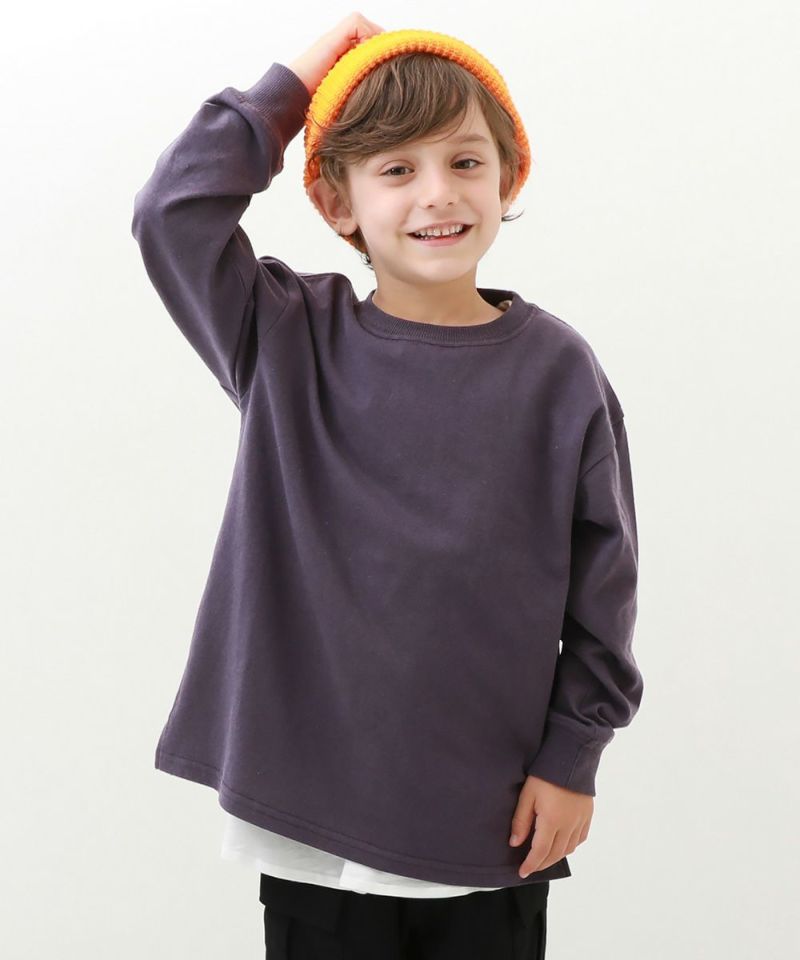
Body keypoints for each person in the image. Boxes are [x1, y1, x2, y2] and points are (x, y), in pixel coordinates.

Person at [130, 12, 645, 959]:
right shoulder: (285, 335)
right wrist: (293, 86)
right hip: (313, 818)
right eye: (397, 169)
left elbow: (604, 586)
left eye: (465, 161)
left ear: (508, 178)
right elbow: (172, 212)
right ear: (338, 204)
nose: (437, 193)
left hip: (489, 815)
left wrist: (573, 756)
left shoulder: (558, 371)